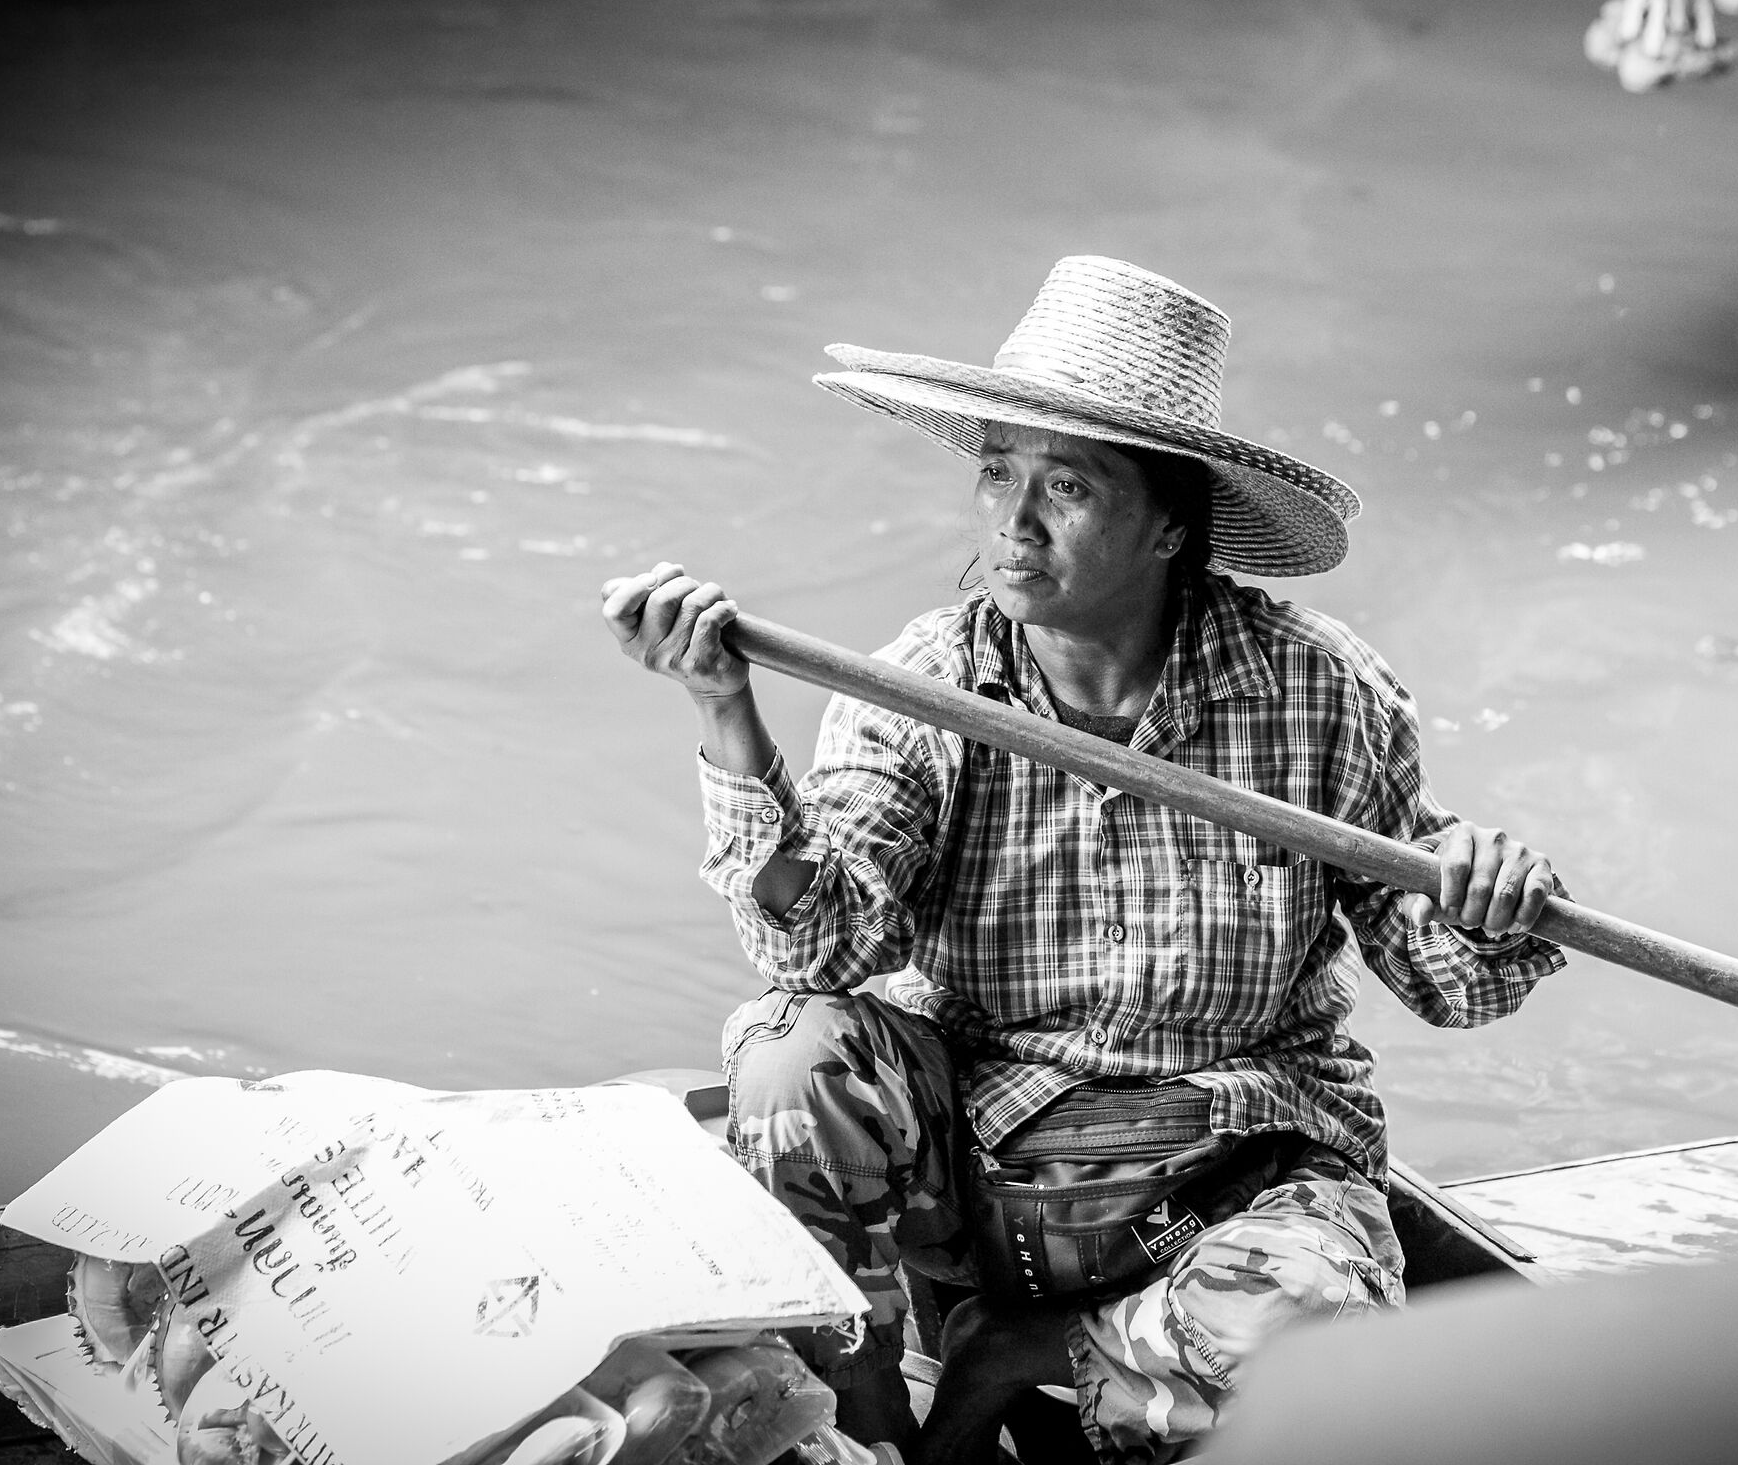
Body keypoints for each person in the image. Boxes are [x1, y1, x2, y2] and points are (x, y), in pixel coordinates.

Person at [601, 257, 1568, 1465]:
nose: (1013, 521)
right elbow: (823, 943)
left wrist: (1488, 901)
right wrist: (723, 710)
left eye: (1065, 485)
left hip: (1224, 1162)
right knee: (794, 1055)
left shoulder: (1322, 688)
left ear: (1171, 524)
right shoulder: (925, 683)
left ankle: (1037, 1347)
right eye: (997, 474)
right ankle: (864, 1409)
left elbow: (1447, 982)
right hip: (979, 1148)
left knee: (1328, 1347)